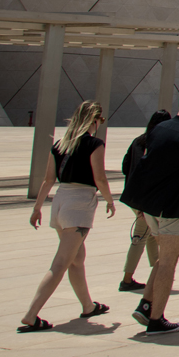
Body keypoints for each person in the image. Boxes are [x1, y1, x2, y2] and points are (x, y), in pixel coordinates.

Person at [17, 101, 115, 333]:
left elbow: (48, 179)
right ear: (94, 119)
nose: (99, 125)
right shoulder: (94, 144)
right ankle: (31, 315)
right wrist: (110, 200)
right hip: (79, 204)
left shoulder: (61, 144)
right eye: (99, 120)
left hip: (61, 202)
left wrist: (37, 207)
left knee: (76, 258)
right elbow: (99, 177)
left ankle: (88, 306)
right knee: (61, 262)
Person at [120, 90, 179, 337]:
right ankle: (156, 320)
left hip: (150, 207)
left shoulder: (159, 129)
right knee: (169, 262)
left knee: (162, 258)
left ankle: (146, 305)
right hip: (172, 207)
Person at [119, 110, 171, 293]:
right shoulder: (156, 143)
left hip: (133, 195)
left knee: (150, 234)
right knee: (140, 237)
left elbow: (125, 166)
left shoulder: (138, 141)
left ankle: (155, 273)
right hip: (145, 198)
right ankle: (127, 279)